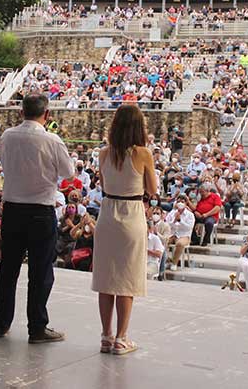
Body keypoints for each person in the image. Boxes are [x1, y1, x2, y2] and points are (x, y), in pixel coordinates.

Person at [0, 94, 74, 344]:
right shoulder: (51, 140)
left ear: (21, 113)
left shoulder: (7, 136)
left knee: (8, 268)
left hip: (13, 209)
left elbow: (2, 161)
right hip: (41, 211)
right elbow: (69, 173)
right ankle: (37, 327)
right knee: (40, 272)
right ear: (47, 114)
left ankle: (2, 322)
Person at [92, 103, 157, 356]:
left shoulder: (104, 153)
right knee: (127, 279)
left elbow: (105, 182)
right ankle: (121, 337)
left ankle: (106, 335)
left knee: (106, 278)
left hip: (108, 213)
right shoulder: (143, 153)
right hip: (131, 214)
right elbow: (151, 189)